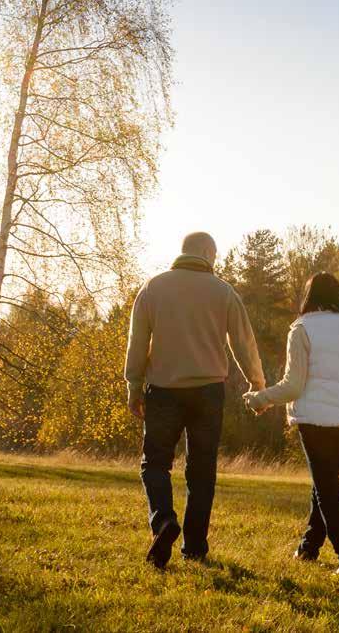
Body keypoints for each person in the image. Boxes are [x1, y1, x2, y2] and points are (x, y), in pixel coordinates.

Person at [125, 232, 265, 569]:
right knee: (201, 471)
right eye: (214, 255)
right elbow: (243, 342)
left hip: (163, 389)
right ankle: (195, 547)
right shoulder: (223, 292)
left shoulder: (153, 287)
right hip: (208, 391)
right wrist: (257, 382)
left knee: (155, 464)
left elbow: (138, 339)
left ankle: (163, 522)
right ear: (206, 253)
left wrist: (133, 383)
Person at [243, 272, 339, 574]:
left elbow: (293, 386)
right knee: (324, 486)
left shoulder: (301, 328)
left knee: (326, 491)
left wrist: (260, 399)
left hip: (315, 424)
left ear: (309, 295)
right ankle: (309, 547)